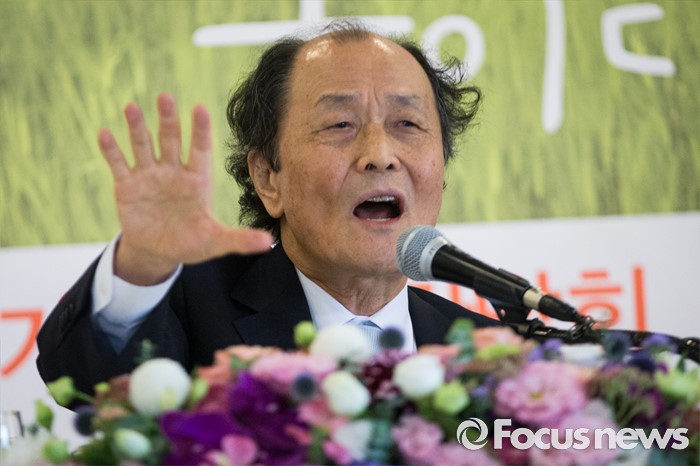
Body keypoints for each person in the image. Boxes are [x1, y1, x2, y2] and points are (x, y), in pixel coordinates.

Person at [36, 20, 498, 396]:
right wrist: (141, 264)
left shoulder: (493, 357)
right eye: (340, 124)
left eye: (408, 123)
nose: (380, 154)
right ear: (267, 178)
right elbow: (82, 377)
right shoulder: (192, 310)